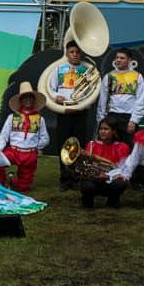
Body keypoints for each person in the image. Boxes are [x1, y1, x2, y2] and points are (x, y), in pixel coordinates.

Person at [48, 38, 96, 189]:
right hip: (64, 112)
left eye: (77, 52)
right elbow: (51, 88)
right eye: (72, 52)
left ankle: (77, 178)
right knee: (64, 145)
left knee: (79, 145)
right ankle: (65, 179)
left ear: (81, 54)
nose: (75, 54)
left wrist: (84, 100)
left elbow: (92, 91)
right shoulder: (59, 69)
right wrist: (57, 97)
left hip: (81, 112)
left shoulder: (87, 70)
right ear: (67, 54)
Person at [0, 82, 50, 192]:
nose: (28, 100)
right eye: (25, 98)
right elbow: (4, 135)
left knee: (24, 188)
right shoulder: (12, 117)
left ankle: (13, 181)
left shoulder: (40, 119)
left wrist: (35, 147)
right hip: (13, 151)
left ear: (33, 100)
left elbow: (45, 138)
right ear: (20, 100)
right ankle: (3, 182)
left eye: (30, 98)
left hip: (29, 154)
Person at [79, 119, 131, 210]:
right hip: (95, 179)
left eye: (106, 129)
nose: (102, 131)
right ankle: (88, 201)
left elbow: (123, 169)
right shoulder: (92, 145)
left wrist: (108, 176)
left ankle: (113, 200)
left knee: (121, 183)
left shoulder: (122, 147)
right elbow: (87, 167)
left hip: (111, 180)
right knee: (86, 183)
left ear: (114, 131)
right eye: (101, 129)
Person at [96, 48, 144, 140]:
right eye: (117, 57)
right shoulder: (108, 76)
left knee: (129, 148)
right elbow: (102, 100)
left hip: (129, 117)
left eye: (122, 58)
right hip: (112, 117)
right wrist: (101, 120)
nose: (118, 60)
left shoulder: (137, 76)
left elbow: (140, 100)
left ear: (129, 60)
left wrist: (134, 120)